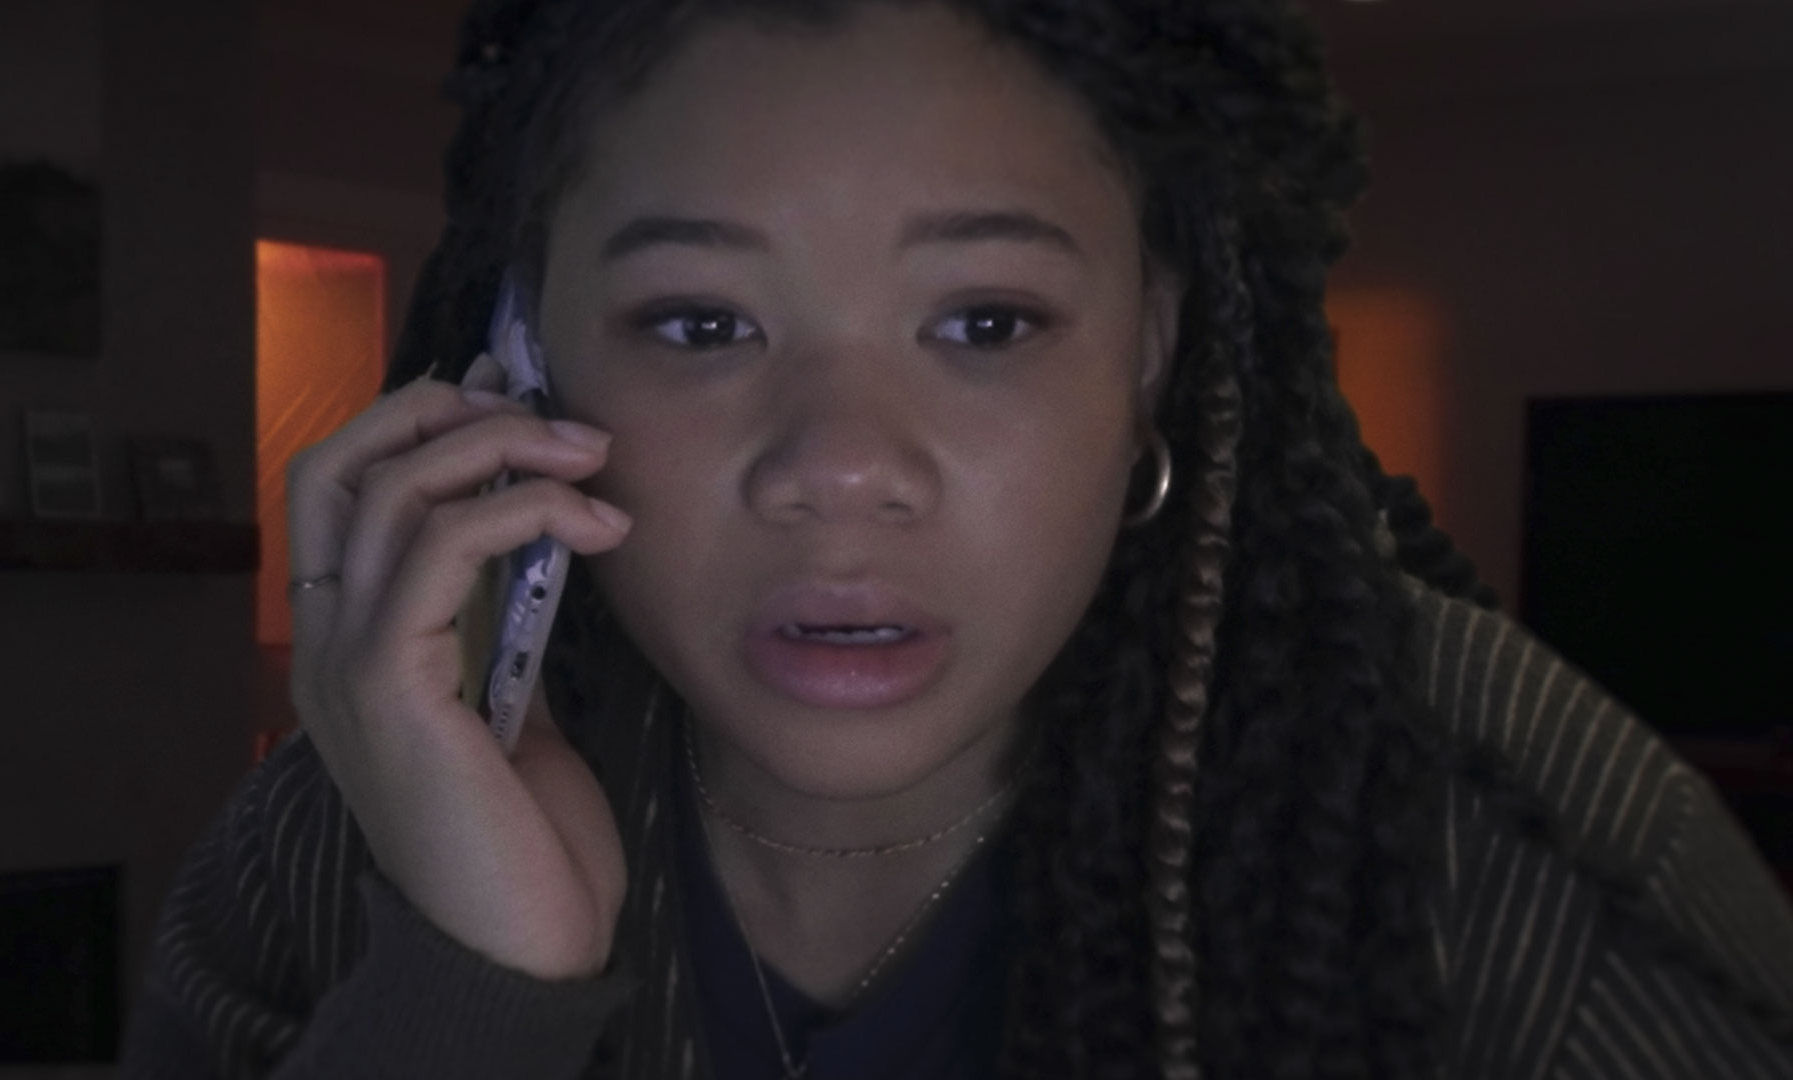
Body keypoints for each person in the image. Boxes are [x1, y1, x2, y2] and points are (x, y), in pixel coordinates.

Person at [121, 1, 1793, 1078]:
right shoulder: (343, 837)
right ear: (526, 352)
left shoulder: (1518, 862)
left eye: (987, 322)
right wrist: (470, 990)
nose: (843, 469)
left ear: (1150, 353)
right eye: (700, 323)